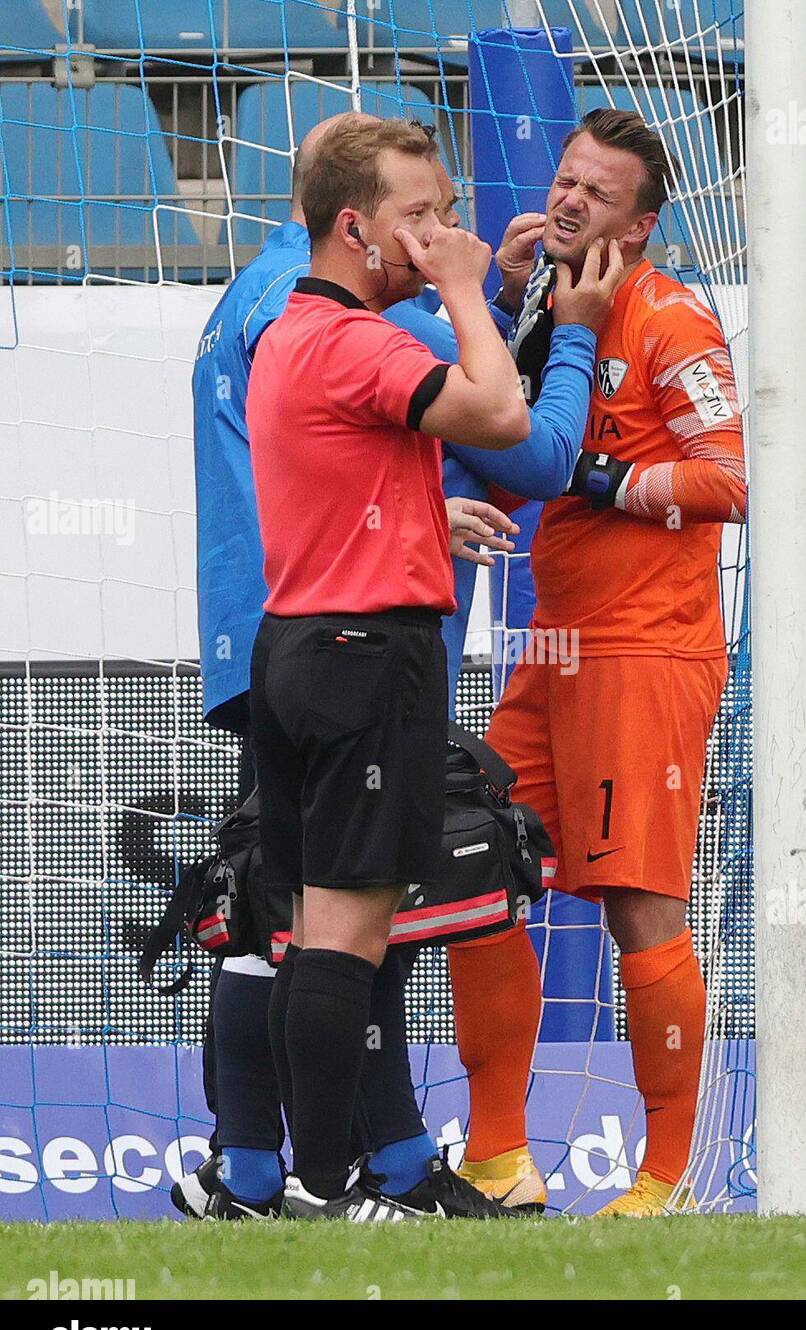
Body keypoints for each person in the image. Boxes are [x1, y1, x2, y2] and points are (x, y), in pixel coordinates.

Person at [178, 112, 618, 1219]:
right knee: (349, 936)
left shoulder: (277, 320)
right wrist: (484, 294)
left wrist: (423, 503)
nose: (439, 235)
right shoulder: (369, 336)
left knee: (288, 927)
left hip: (289, 639)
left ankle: (269, 1174)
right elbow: (515, 423)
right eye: (418, 217)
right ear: (351, 224)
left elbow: (345, 467)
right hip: (366, 652)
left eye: (444, 216)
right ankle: (339, 1182)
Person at [447, 107, 747, 1217]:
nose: (570, 200)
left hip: (644, 651)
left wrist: (609, 482)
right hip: (552, 646)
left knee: (636, 906)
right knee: (477, 875)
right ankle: (496, 1158)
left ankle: (663, 1177)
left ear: (646, 222)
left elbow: (726, 481)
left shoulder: (672, 321)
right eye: (566, 180)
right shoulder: (550, 303)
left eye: (598, 193)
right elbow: (521, 456)